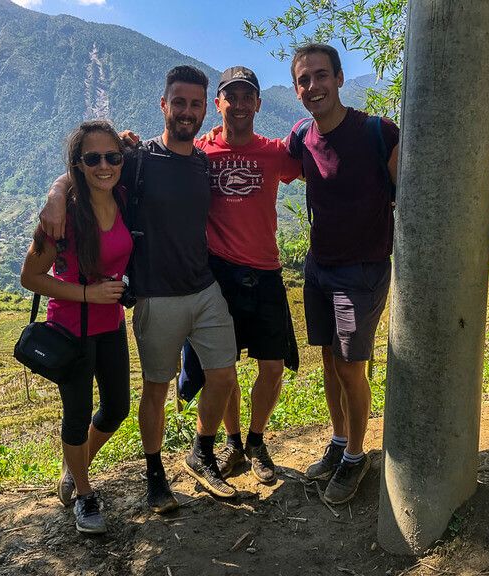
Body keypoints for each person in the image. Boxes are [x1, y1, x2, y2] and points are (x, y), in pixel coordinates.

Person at [40, 66, 240, 513]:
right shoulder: (137, 159)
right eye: (179, 102)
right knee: (155, 389)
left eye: (195, 103)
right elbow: (89, 169)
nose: (187, 111)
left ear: (205, 108)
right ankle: (154, 475)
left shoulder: (203, 161)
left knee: (224, 376)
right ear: (164, 105)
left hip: (204, 288)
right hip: (156, 295)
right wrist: (55, 193)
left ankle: (201, 452)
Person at [287, 44, 399, 504]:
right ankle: (338, 441)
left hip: (363, 270)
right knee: (330, 361)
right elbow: (271, 166)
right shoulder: (301, 137)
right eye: (304, 80)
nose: (313, 86)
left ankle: (357, 454)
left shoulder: (377, 132)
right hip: (319, 267)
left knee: (352, 365)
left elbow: (407, 195)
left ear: (338, 78)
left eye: (320, 76)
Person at [179, 66, 301, 484]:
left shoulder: (274, 153)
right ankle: (232, 442)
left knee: (272, 366)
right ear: (219, 104)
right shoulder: (200, 152)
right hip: (219, 275)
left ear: (258, 104)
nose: (240, 104)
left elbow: (319, 164)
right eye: (232, 96)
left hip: (266, 272)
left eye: (248, 96)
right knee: (221, 365)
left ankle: (256, 440)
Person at [20, 120, 132, 535]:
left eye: (112, 156)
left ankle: (74, 464)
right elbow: (30, 277)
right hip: (72, 329)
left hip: (111, 324)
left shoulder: (123, 196)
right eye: (93, 158)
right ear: (78, 164)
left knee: (118, 407)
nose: (104, 165)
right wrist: (87, 295)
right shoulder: (61, 217)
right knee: (77, 412)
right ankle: (84, 495)